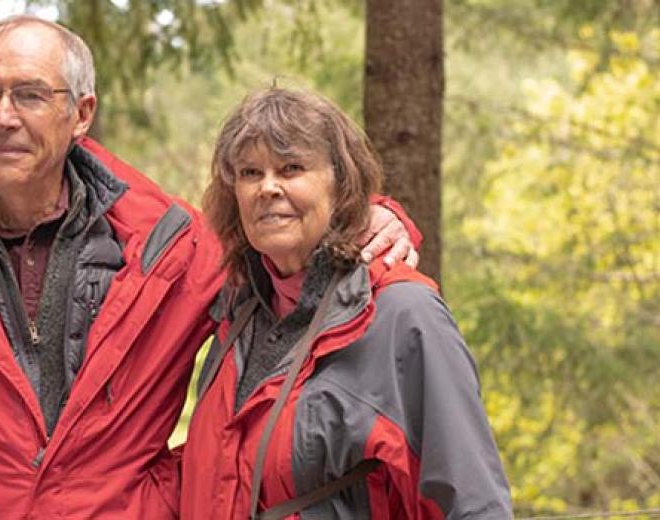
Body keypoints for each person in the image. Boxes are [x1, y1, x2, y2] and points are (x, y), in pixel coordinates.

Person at [0, 16, 418, 519]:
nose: (4, 116)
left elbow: (289, 257)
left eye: (30, 95)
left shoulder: (170, 249)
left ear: (81, 114)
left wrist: (378, 219)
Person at [180, 88, 512, 519]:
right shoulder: (239, 314)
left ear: (341, 183)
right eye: (249, 172)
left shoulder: (403, 314)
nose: (268, 188)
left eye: (291, 168)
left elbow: (476, 503)